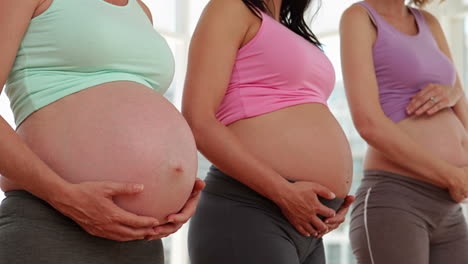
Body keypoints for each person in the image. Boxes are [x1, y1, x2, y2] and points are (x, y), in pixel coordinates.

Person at [0, 0, 204, 263]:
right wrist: (63, 195)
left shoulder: (140, 11)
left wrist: (177, 188)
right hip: (53, 221)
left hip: (142, 237)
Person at [183, 0, 355, 263]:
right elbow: (198, 121)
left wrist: (327, 206)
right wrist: (283, 193)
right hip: (249, 210)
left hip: (305, 227)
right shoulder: (231, 7)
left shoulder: (286, 30)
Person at [340, 0, 468, 263]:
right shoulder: (360, 17)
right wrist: (452, 176)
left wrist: (453, 91)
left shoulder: (428, 21)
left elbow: (459, 98)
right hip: (396, 198)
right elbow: (367, 123)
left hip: (448, 206)